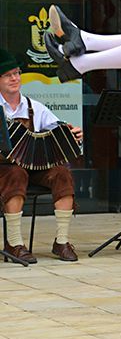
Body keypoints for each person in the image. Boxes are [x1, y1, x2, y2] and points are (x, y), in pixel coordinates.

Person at [0, 49, 82, 262]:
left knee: (61, 172)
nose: (15, 78)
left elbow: (58, 129)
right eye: (8, 75)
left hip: (33, 169)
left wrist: (72, 133)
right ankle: (14, 243)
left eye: (17, 73)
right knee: (16, 173)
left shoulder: (34, 107)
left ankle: (62, 241)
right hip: (4, 171)